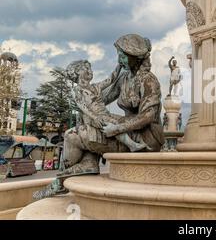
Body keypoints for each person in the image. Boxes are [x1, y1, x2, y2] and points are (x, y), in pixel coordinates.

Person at [33, 34, 164, 200]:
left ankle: (61, 182)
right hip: (124, 128)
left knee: (71, 136)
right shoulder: (124, 78)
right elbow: (104, 98)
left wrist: (117, 128)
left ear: (135, 57)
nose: (120, 60)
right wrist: (83, 104)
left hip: (145, 137)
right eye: (119, 55)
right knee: (90, 124)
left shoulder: (148, 80)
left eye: (123, 56)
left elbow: (148, 116)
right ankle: (86, 165)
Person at [65, 60, 148, 152]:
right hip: (93, 118)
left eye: (90, 69)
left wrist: (119, 65)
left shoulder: (95, 86)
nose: (91, 71)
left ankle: (138, 141)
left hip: (105, 114)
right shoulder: (77, 90)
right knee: (114, 124)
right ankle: (132, 145)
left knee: (124, 120)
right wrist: (95, 117)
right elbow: (82, 106)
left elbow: (110, 79)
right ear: (77, 72)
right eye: (87, 68)